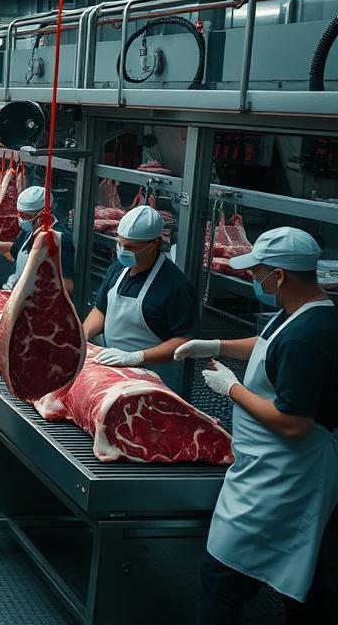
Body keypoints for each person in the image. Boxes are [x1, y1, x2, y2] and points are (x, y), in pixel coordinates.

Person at [179, 228, 337, 624]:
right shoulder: (303, 311)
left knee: (221, 578)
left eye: (257, 274)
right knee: (303, 580)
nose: (253, 280)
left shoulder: (309, 334)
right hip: (268, 466)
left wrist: (231, 388)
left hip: (287, 475)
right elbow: (268, 344)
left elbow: (293, 423)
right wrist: (217, 346)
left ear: (279, 276)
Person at [83, 204, 199, 394]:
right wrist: (83, 335)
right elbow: (101, 309)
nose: (122, 251)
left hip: (153, 382)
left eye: (130, 247)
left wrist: (136, 357)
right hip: (111, 372)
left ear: (154, 244)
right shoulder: (118, 268)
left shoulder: (176, 285)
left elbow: (184, 339)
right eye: (120, 244)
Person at [0, 185, 77, 293]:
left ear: (42, 215)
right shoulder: (28, 231)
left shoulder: (59, 240)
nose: (21, 219)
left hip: (35, 303)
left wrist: (33, 292)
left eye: (25, 216)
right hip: (14, 294)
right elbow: (13, 249)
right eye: (19, 214)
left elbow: (68, 285)